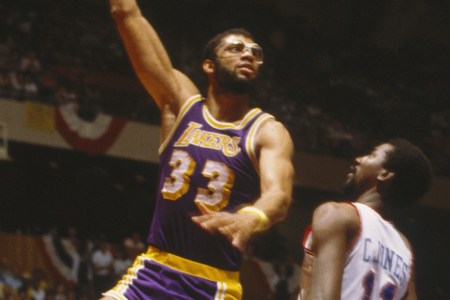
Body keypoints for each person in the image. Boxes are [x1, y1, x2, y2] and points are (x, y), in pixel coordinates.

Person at [104, 0, 294, 299]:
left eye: (256, 53)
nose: (248, 54)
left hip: (213, 285)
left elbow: (278, 196)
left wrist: (250, 218)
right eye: (235, 48)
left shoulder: (267, 130)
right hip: (154, 269)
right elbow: (126, 13)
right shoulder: (180, 105)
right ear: (209, 65)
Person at [298, 138, 433, 300]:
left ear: (385, 174)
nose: (358, 159)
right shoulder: (405, 248)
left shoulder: (336, 214)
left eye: (372, 155)